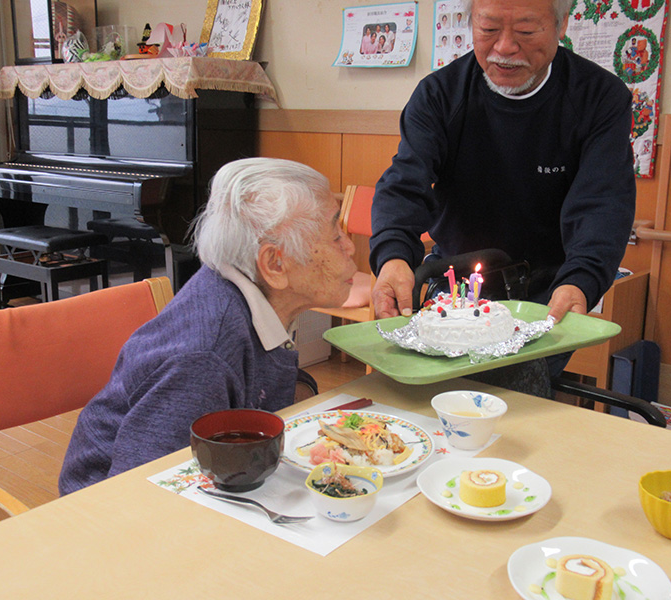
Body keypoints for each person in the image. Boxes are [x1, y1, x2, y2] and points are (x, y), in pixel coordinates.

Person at [369, 0, 635, 381]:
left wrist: (582, 280)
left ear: (562, 24)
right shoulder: (440, 95)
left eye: (525, 31)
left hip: (548, 291)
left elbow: (603, 205)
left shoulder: (599, 98)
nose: (505, 47)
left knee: (519, 391)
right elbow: (405, 182)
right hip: (455, 282)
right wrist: (393, 255)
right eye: (489, 29)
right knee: (430, 386)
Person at [59, 158, 357, 494]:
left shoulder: (249, 295)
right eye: (335, 235)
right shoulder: (203, 357)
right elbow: (140, 495)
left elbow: (260, 382)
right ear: (275, 264)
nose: (350, 246)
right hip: (105, 504)